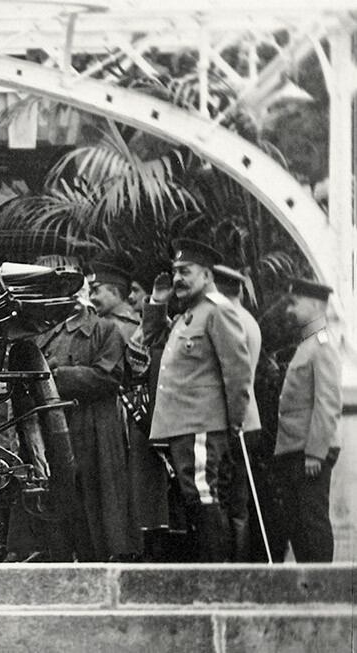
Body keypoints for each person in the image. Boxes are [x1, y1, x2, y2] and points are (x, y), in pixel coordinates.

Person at [142, 239, 255, 562]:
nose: (177, 278)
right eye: (175, 271)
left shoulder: (218, 313)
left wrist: (233, 423)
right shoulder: (188, 315)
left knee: (203, 496)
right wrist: (158, 302)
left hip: (202, 424)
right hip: (182, 426)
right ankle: (208, 573)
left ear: (206, 275)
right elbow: (152, 338)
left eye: (186, 272)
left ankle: (215, 577)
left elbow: (237, 373)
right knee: (195, 498)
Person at [38, 271, 138, 560]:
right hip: (55, 426)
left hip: (95, 425)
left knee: (98, 499)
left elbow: (109, 377)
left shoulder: (105, 330)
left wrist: (57, 377)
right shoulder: (46, 333)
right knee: (62, 499)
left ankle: (104, 560)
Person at [90, 257, 169, 542]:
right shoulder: (110, 323)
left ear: (114, 291)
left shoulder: (122, 327)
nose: (92, 296)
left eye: (97, 289)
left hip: (130, 411)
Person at [272, 278, 342, 562]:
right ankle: (309, 588)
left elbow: (328, 402)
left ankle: (323, 589)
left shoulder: (322, 344)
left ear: (314, 304)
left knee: (312, 524)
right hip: (296, 448)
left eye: (294, 303)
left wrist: (315, 452)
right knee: (298, 525)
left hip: (309, 451)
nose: (289, 310)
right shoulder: (309, 343)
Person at [211, 265, 266, 561]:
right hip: (249, 419)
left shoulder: (228, 319)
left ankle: (231, 564)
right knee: (238, 501)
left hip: (233, 420)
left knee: (226, 501)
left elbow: (233, 377)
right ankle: (238, 560)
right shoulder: (248, 319)